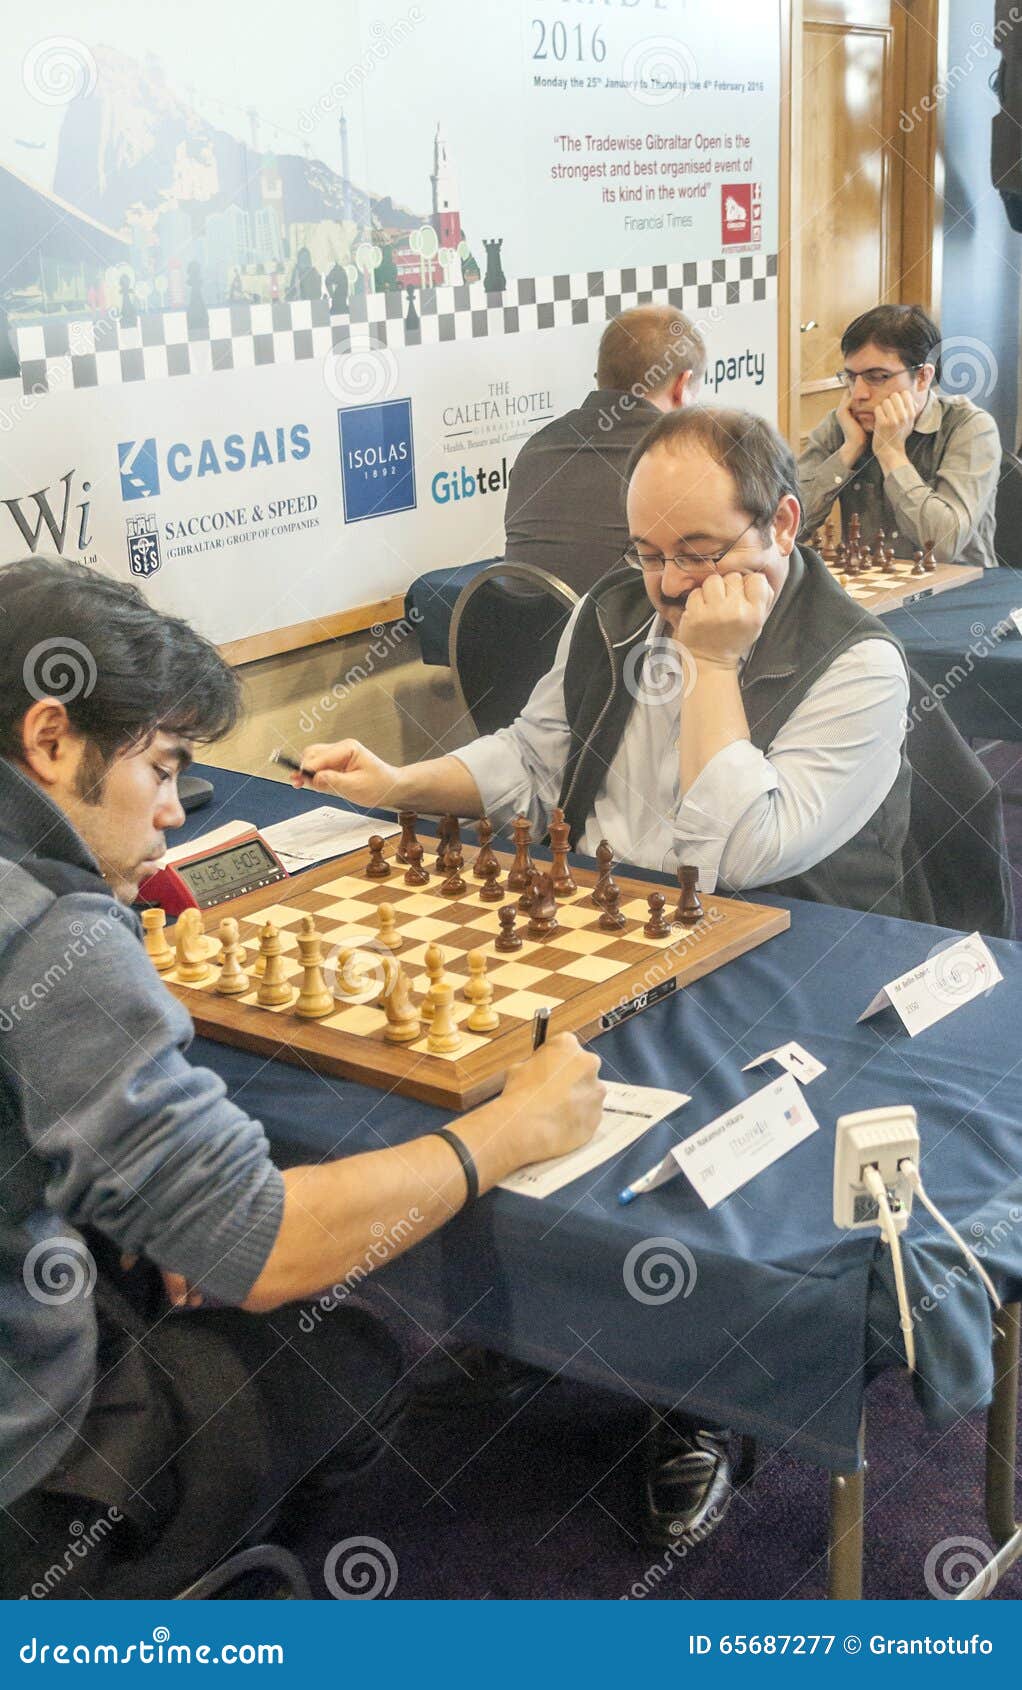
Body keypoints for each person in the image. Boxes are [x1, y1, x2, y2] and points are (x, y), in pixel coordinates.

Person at [290, 404, 912, 1547]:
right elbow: (526, 760)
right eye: (645, 552)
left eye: (696, 553)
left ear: (780, 521)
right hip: (605, 926)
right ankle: (520, 1319)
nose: (665, 586)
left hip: (780, 964)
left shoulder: (859, 663)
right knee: (473, 1073)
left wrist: (713, 665)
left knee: (677, 1171)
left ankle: (696, 1405)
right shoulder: (610, 613)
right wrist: (395, 780)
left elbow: (745, 854)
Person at [0, 557, 604, 1599]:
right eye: (163, 767)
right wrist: (510, 1129)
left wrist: (141, 1213)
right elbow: (264, 1244)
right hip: (28, 1489)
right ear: (50, 738)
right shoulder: (51, 929)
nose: (177, 812)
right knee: (352, 1353)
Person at [502, 305, 706, 594]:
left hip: (526, 638)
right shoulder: (683, 459)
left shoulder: (535, 449)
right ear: (681, 387)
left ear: (600, 377)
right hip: (625, 638)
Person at [798, 304, 1000, 568]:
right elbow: (785, 527)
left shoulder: (970, 428)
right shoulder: (844, 425)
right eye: (850, 377)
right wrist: (849, 450)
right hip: (873, 586)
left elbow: (942, 547)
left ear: (923, 377)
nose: (858, 393)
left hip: (958, 593)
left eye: (877, 377)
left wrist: (892, 453)